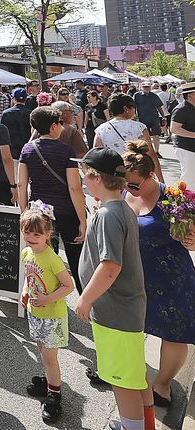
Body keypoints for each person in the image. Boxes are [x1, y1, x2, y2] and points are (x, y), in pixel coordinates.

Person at [74, 148, 150, 430]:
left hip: (116, 311)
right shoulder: (119, 208)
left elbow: (110, 267)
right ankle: (142, 424)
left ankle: (133, 426)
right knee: (133, 375)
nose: (82, 178)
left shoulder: (109, 214)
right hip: (123, 309)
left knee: (122, 381)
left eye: (85, 173)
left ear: (96, 177)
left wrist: (85, 299)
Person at [121, 141, 195, 409]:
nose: (129, 188)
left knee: (174, 334)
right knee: (129, 329)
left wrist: (192, 240)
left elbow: (192, 237)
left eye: (134, 184)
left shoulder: (175, 198)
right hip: (134, 276)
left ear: (151, 175)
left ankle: (162, 384)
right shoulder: (124, 192)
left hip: (172, 279)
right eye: (126, 183)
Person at [18, 106, 88, 293]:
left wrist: (24, 213)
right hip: (66, 211)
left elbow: (21, 184)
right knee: (76, 259)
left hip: (39, 212)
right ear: (53, 126)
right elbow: (74, 187)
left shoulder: (27, 149)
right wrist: (82, 220)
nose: (62, 127)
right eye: (60, 123)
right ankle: (85, 301)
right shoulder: (66, 151)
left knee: (45, 259)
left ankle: (46, 298)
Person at [19, 203, 76, 424]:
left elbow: (68, 286)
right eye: (27, 232)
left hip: (52, 316)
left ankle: (54, 395)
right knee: (42, 351)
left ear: (48, 234)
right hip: (35, 314)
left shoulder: (52, 259)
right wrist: (25, 291)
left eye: (37, 234)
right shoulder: (27, 253)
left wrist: (47, 299)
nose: (31, 238)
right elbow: (30, 277)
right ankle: (49, 382)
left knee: (49, 358)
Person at [94, 94, 165, 182]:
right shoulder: (139, 127)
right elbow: (151, 154)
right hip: (136, 174)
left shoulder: (101, 129)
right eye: (133, 107)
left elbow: (97, 154)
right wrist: (160, 180)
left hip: (112, 175)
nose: (135, 110)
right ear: (126, 109)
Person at [133, 82, 166, 156]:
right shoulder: (137, 95)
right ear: (142, 87)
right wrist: (134, 116)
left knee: (156, 135)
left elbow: (159, 107)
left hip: (154, 118)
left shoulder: (154, 96)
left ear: (150, 87)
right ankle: (147, 151)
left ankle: (156, 151)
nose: (147, 88)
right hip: (142, 119)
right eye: (145, 87)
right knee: (145, 136)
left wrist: (163, 117)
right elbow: (133, 106)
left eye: (148, 86)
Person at [170, 82, 195, 178]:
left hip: (191, 146)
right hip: (186, 147)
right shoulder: (181, 109)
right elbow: (174, 129)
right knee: (189, 176)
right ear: (190, 95)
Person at [0, 87, 32, 161]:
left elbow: (1, 131)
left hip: (11, 151)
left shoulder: (6, 113)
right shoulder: (30, 113)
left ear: (13, 99)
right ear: (25, 99)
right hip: (27, 149)